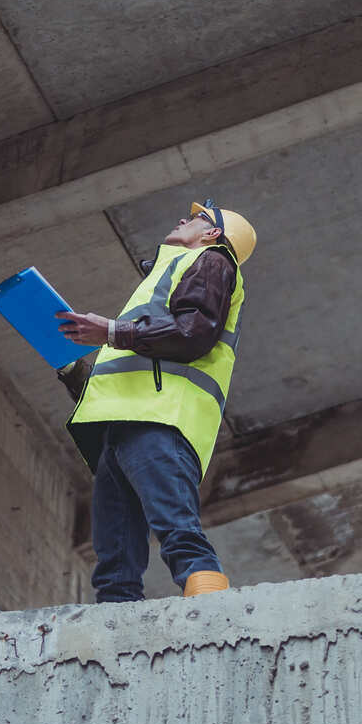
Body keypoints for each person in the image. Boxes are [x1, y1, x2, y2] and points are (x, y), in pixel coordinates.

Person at [56, 199, 257, 602]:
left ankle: (210, 601)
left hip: (159, 418)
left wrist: (112, 331)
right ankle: (115, 614)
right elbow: (123, 375)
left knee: (175, 524)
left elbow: (193, 332)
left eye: (196, 218)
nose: (183, 219)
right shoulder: (166, 276)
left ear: (213, 233)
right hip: (124, 421)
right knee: (114, 551)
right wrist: (71, 368)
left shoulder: (213, 261)